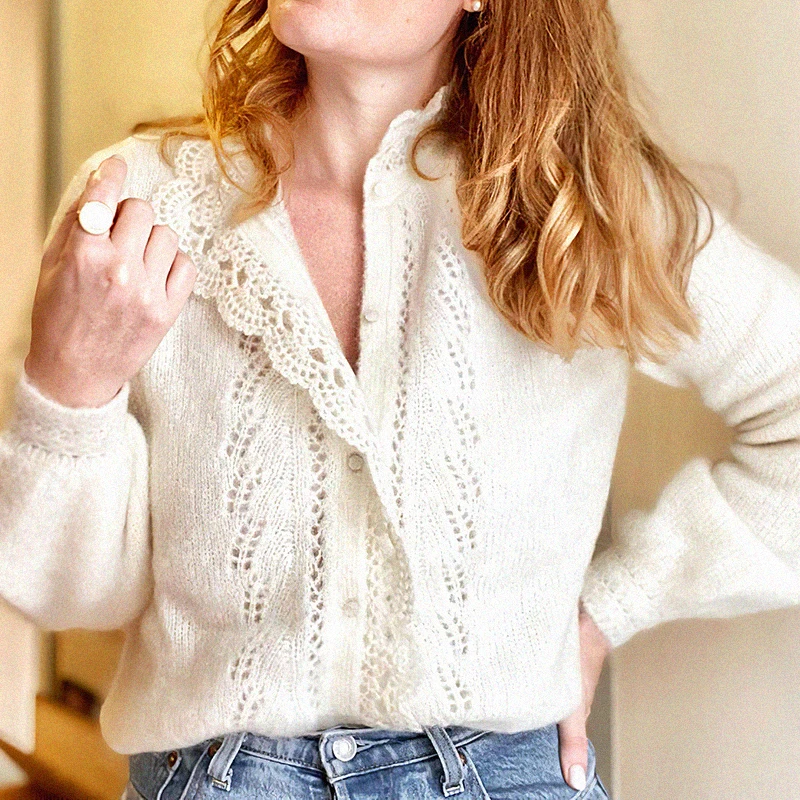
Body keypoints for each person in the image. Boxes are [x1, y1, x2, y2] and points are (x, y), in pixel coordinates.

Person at [3, 0, 800, 797]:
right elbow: (72, 597)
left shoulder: (580, 207)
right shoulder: (141, 204)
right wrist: (70, 381)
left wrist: (606, 614)